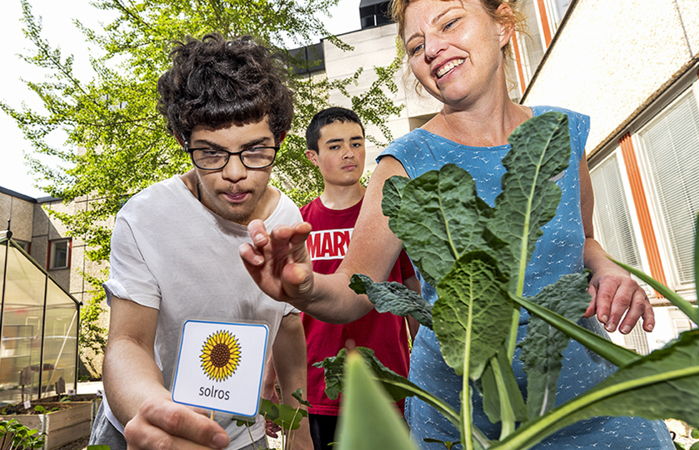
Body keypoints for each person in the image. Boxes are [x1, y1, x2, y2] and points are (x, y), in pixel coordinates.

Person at [238, 0, 673, 447]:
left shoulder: (560, 135)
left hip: (587, 403)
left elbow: (582, 239)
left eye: (450, 23)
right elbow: (355, 288)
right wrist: (304, 288)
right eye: (415, 45)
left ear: (503, 24)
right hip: (464, 417)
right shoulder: (403, 165)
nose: (432, 49)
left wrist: (604, 268)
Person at [89, 33, 312, 450]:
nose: (234, 173)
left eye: (255, 151)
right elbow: (128, 341)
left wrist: (299, 429)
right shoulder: (143, 218)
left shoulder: (288, 221)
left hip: (244, 436)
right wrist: (159, 414)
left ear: (278, 140)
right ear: (183, 143)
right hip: (138, 427)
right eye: (211, 153)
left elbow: (287, 325)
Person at [299, 106, 420, 449]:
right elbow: (285, 313)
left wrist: (431, 367)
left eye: (356, 142)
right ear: (313, 156)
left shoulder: (391, 217)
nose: (349, 153)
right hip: (320, 390)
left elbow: (415, 298)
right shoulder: (299, 224)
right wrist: (272, 379)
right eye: (335, 146)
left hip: (390, 381)